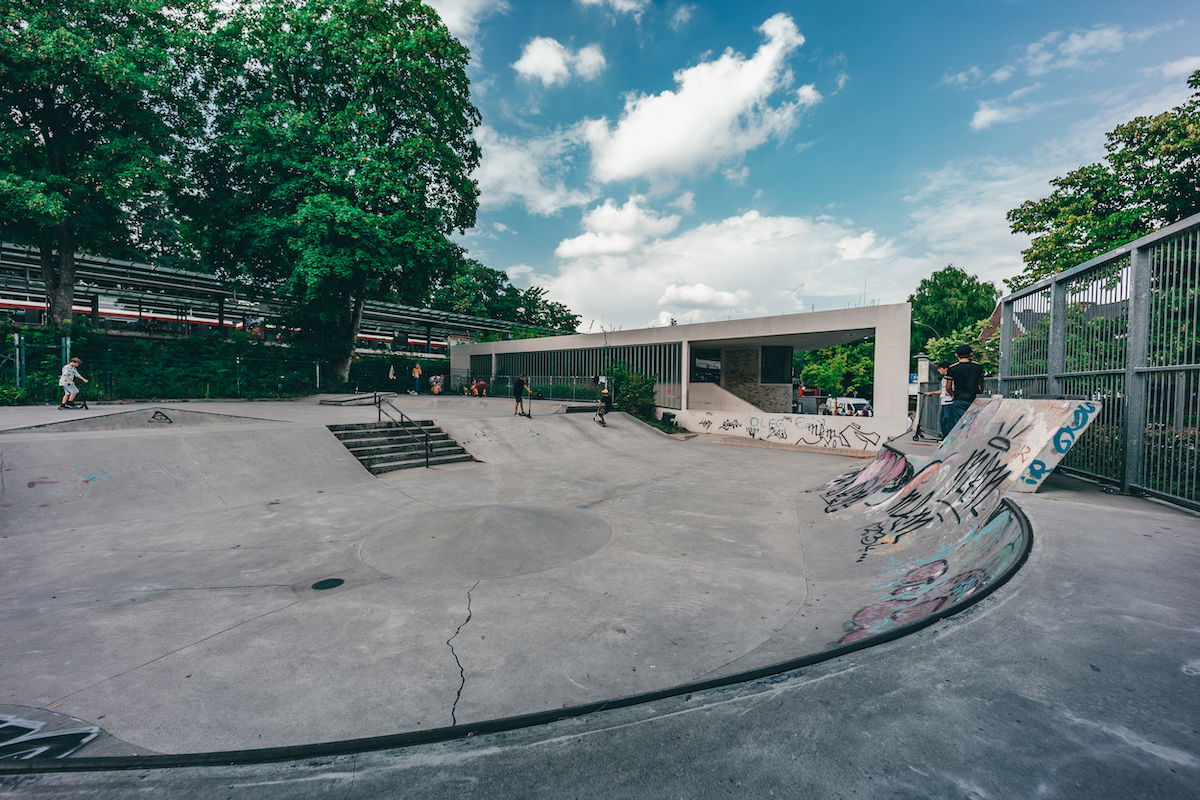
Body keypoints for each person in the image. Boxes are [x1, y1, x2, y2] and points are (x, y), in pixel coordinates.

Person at [944, 345, 986, 433]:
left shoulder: (952, 368)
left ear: (956, 355)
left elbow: (948, 387)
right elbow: (981, 382)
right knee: (974, 423)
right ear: (970, 354)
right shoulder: (978, 367)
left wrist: (952, 394)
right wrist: (980, 391)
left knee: (960, 424)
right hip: (974, 398)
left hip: (959, 399)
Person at [922, 362, 954, 437]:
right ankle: (944, 437)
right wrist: (931, 393)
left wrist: (951, 394)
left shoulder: (950, 378)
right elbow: (943, 390)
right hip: (944, 401)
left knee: (947, 421)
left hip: (949, 402)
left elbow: (949, 389)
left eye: (940, 369)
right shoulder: (944, 378)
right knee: (942, 421)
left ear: (945, 369)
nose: (939, 371)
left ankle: (947, 438)